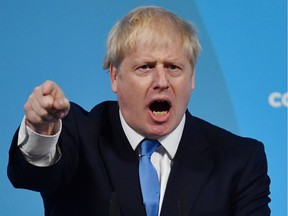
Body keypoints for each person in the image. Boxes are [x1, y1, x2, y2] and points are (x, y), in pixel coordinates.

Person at [8, 6, 271, 216]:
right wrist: (41, 130)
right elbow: (31, 176)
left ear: (192, 78)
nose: (161, 81)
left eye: (173, 67)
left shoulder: (239, 159)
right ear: (114, 76)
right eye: (145, 67)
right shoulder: (78, 133)